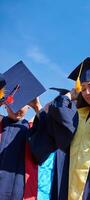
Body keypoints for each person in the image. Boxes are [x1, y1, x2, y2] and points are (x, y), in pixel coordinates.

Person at [29, 57, 90, 200]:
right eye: (83, 89)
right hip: (74, 183)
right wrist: (70, 94)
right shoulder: (78, 116)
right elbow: (58, 112)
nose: (87, 92)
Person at [0, 61, 45, 200]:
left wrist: (38, 107)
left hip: (20, 190)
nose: (19, 108)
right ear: (5, 105)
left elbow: (48, 134)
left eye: (24, 104)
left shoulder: (32, 129)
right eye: (13, 103)